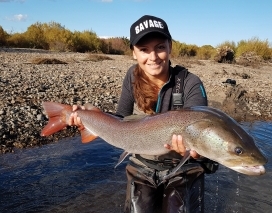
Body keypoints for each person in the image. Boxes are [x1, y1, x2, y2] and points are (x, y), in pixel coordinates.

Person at [69, 15, 218, 213]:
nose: (153, 57)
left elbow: (202, 133)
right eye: (144, 50)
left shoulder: (190, 83)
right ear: (134, 53)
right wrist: (91, 118)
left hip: (182, 167)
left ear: (170, 47)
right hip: (142, 165)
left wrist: (197, 153)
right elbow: (120, 119)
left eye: (160, 47)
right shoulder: (132, 76)